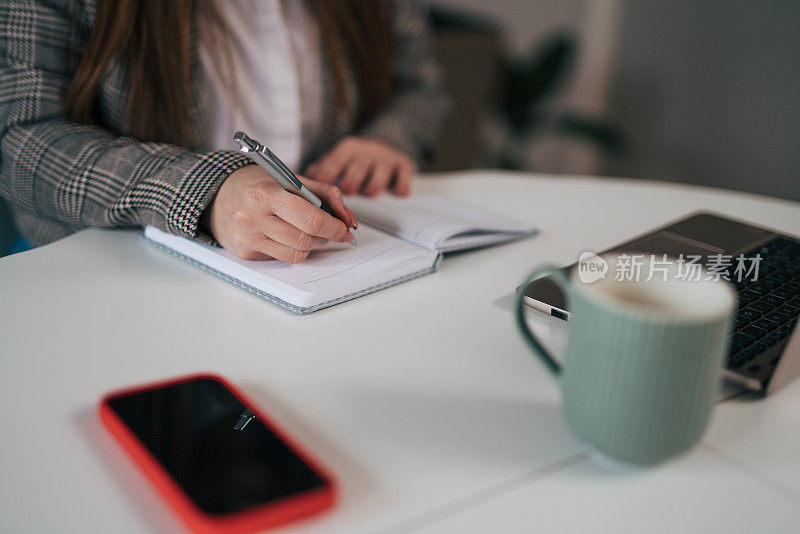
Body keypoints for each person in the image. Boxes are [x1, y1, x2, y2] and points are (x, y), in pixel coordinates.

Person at [0, 0, 449, 262]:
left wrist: (387, 137)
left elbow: (421, 87)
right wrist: (207, 191)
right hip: (99, 264)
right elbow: (20, 139)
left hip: (314, 268)